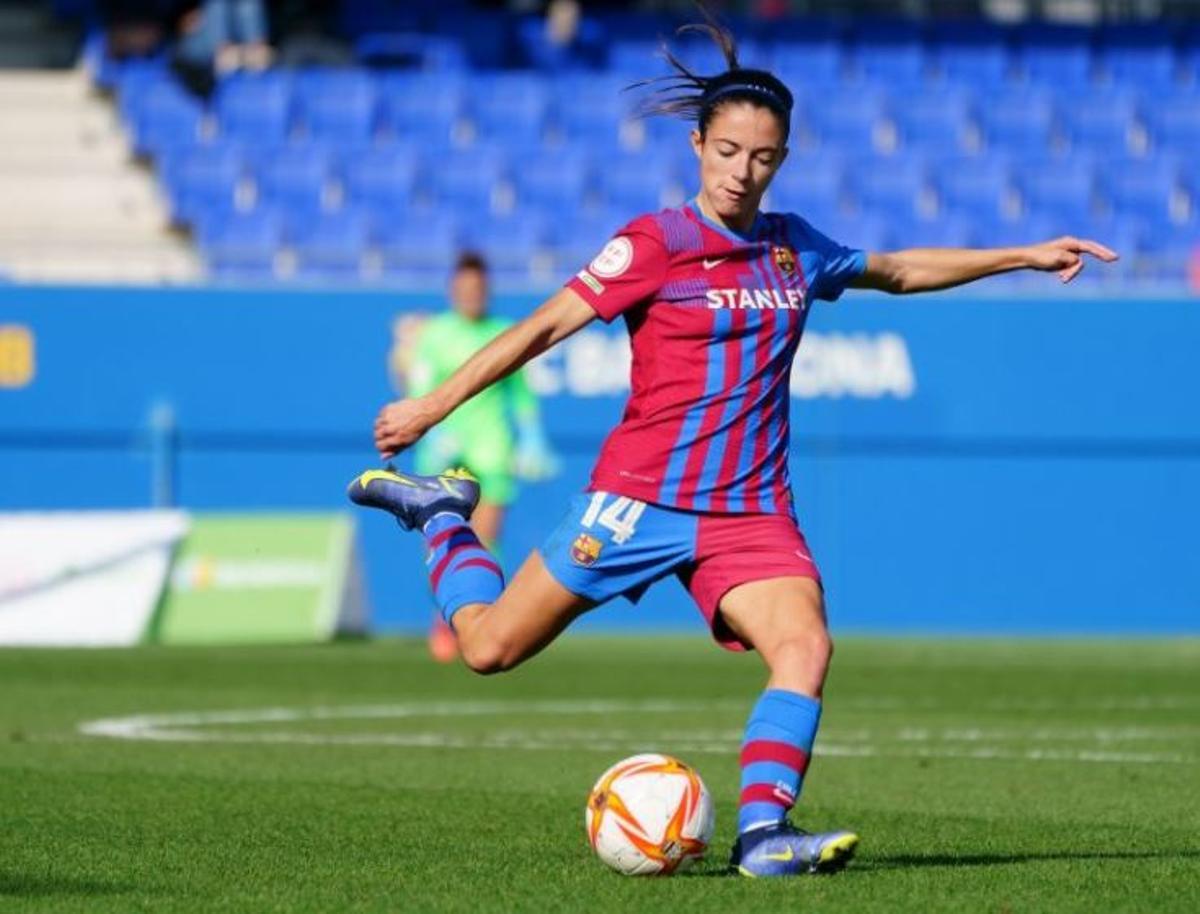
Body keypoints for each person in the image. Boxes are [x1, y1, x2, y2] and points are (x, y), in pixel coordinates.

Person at [347, 15, 1117, 878]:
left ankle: (762, 837)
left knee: (806, 646)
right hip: (638, 501)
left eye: (763, 157)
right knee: (489, 649)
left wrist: (1024, 254)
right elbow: (540, 331)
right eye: (727, 152)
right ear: (697, 144)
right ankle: (441, 515)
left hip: (749, 514)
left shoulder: (793, 249)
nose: (742, 172)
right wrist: (431, 404)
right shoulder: (654, 244)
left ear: (781, 159)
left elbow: (898, 271)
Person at [389, 251, 557, 662]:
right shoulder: (436, 334)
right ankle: (448, 619)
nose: (471, 295)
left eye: (478, 288)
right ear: (453, 290)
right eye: (464, 288)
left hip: (492, 448)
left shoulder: (504, 332)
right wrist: (435, 428)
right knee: (444, 540)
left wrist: (533, 437)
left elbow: (520, 394)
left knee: (485, 539)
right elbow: (420, 385)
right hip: (442, 449)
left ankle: (483, 623)